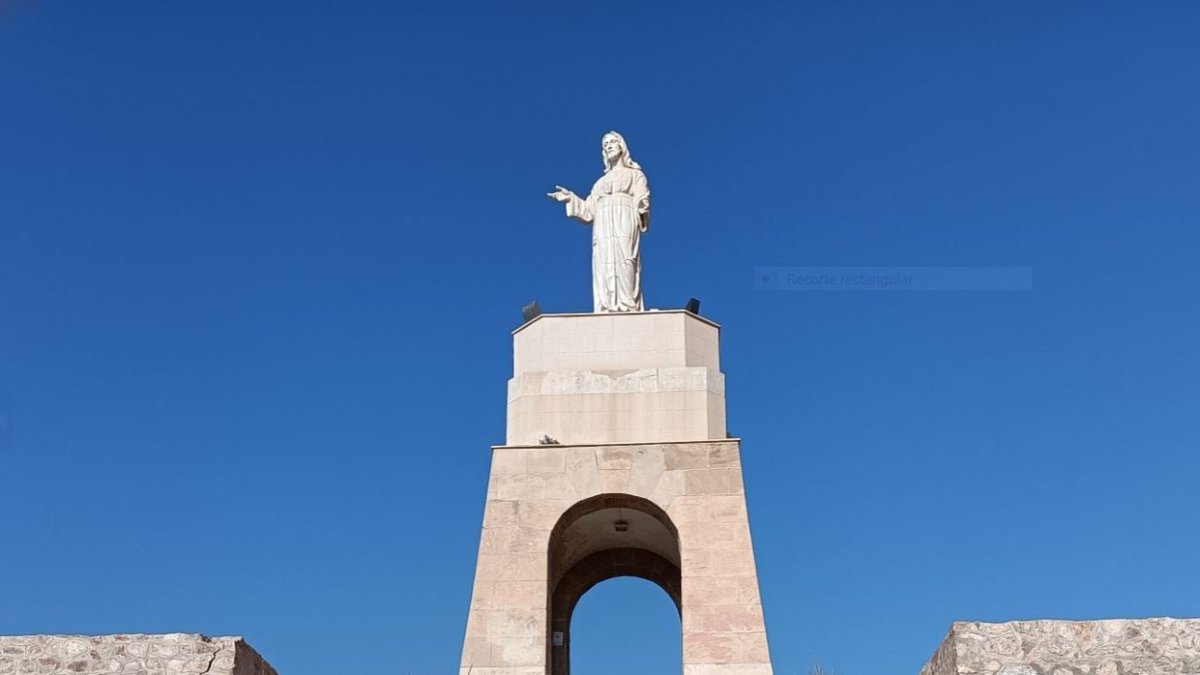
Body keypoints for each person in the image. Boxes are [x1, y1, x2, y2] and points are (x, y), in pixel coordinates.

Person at [547, 131, 650, 312]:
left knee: (626, 258)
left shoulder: (635, 174)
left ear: (622, 146)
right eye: (605, 144)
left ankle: (628, 304)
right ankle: (608, 305)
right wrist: (570, 198)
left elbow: (642, 196)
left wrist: (642, 205)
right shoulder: (600, 183)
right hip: (602, 222)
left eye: (612, 142)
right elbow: (589, 210)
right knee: (604, 262)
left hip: (624, 215)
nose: (608, 146)